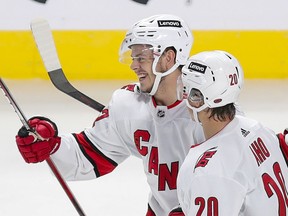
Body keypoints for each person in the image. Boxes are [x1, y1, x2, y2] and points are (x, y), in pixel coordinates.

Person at [15, 14, 205, 216]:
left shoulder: (210, 109)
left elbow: (234, 179)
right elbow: (90, 155)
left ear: (168, 58)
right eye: (133, 58)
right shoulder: (128, 104)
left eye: (141, 58)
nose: (134, 66)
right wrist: (51, 146)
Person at [174, 50, 288, 215]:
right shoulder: (256, 129)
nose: (184, 97)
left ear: (199, 98)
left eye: (187, 90)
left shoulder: (210, 171)